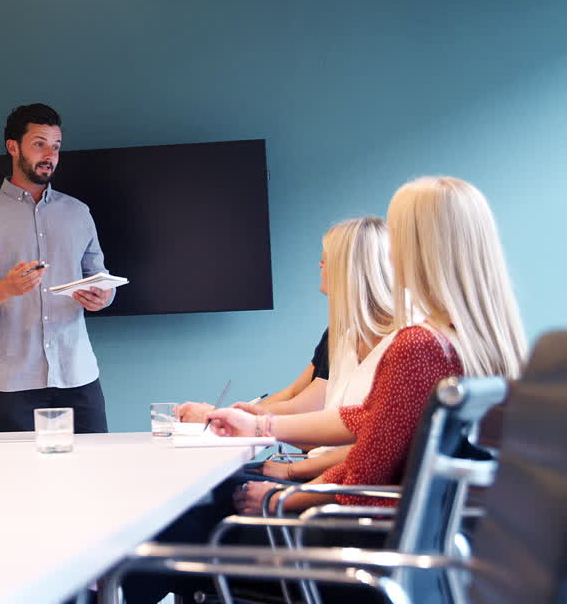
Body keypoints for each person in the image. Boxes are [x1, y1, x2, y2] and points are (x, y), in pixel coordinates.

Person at [210, 177, 526, 516]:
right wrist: (261, 426)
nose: (390, 250)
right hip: (430, 534)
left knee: (198, 517)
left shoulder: (419, 346)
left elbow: (364, 473)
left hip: (360, 532)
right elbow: (372, 421)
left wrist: (278, 500)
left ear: (416, 248)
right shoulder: (480, 341)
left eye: (397, 234)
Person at [181, 217, 397, 482]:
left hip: (331, 482)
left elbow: (322, 415)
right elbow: (301, 395)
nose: (319, 266)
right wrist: (239, 418)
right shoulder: (344, 338)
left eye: (326, 260)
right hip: (320, 470)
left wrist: (286, 468)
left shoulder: (401, 346)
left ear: (347, 270)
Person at [0, 103, 114, 433]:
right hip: (14, 383)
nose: (49, 155)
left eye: (55, 146)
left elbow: (101, 277)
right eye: (39, 143)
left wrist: (102, 297)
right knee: (22, 483)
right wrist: (6, 288)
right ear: (13, 147)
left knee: (95, 476)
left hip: (78, 375)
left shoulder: (78, 213)